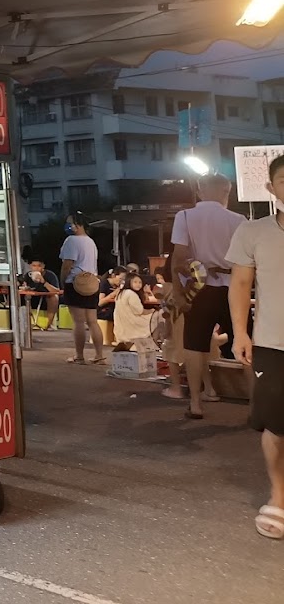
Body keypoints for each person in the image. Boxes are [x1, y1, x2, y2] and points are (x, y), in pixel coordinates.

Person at [227, 154, 284, 539]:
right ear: (271, 188)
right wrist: (240, 334)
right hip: (273, 343)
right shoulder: (253, 231)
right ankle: (279, 494)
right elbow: (240, 286)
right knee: (276, 427)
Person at [168, 172, 246, 420]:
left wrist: (180, 294)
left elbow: (178, 259)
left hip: (199, 289)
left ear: (200, 191)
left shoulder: (185, 217)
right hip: (234, 287)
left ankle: (196, 403)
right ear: (226, 192)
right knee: (245, 345)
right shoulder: (239, 220)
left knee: (195, 346)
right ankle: (257, 408)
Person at [60, 213, 105, 364]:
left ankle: (79, 356)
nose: (68, 226)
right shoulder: (91, 242)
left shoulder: (71, 241)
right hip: (92, 283)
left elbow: (67, 264)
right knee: (93, 321)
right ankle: (99, 355)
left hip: (76, 282)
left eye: (70, 223)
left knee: (78, 322)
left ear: (77, 225)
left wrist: (63, 281)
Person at [113, 272, 157, 352]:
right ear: (129, 281)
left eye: (140, 282)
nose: (138, 284)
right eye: (135, 282)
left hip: (121, 324)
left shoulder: (121, 293)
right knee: (157, 317)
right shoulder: (131, 294)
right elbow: (140, 311)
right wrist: (152, 311)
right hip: (132, 322)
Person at [19, 259, 62, 330]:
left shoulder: (50, 275)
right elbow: (24, 286)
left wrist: (43, 282)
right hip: (33, 298)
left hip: (46, 298)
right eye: (34, 266)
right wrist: (25, 288)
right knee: (23, 296)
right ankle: (26, 323)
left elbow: (56, 291)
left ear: (43, 266)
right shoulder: (28, 275)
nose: (36, 268)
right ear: (30, 266)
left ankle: (49, 324)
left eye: (39, 266)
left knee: (54, 297)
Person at [97, 268, 124, 347]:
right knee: (119, 314)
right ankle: (118, 339)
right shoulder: (104, 284)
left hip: (115, 308)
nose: (121, 281)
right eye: (120, 279)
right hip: (103, 310)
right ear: (113, 276)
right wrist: (114, 293)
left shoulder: (118, 285)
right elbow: (100, 302)